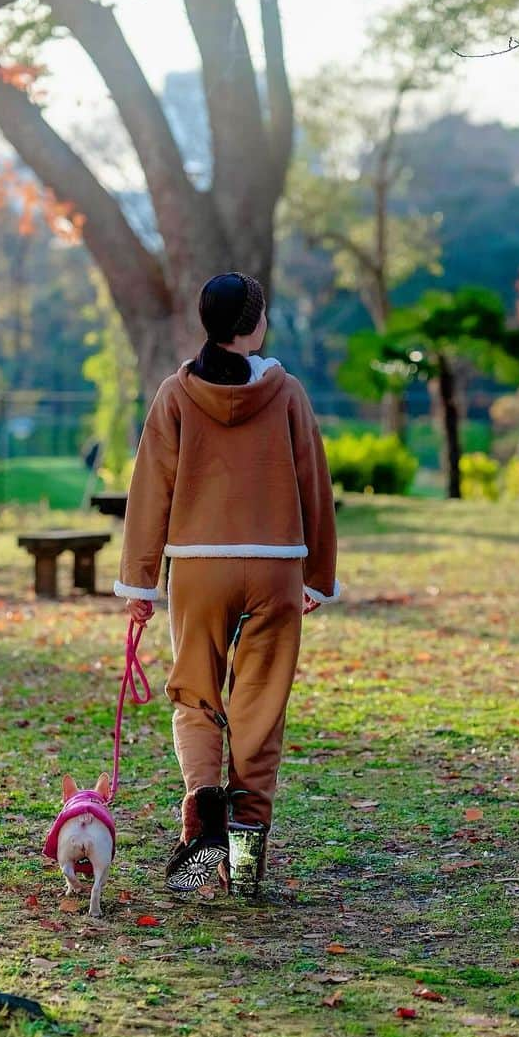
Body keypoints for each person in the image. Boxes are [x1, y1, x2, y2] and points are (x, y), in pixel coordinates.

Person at [114, 272, 339, 896]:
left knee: (196, 692)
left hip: (198, 565)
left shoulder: (176, 394)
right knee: (259, 706)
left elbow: (149, 488)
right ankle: (243, 855)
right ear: (256, 324)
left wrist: (139, 583)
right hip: (275, 564)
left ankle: (203, 805)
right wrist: (317, 575)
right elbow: (312, 483)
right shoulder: (287, 392)